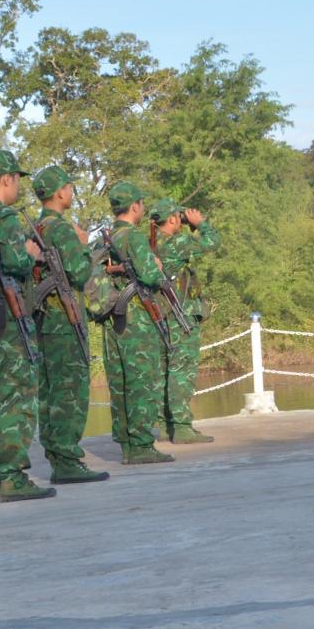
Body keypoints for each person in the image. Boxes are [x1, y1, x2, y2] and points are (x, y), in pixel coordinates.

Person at [0, 149, 54, 504]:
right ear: (6, 180)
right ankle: (12, 477)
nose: (18, 185)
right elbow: (15, 261)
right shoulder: (4, 217)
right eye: (17, 178)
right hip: (6, 314)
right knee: (15, 394)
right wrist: (30, 254)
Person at [30, 164, 110, 484]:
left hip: (45, 320)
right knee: (69, 391)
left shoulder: (37, 225)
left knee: (49, 391)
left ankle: (56, 453)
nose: (72, 193)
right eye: (69, 188)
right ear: (60, 192)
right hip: (64, 319)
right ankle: (66, 460)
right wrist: (83, 244)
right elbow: (78, 273)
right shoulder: (60, 229)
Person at [100, 181, 174, 464]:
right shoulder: (134, 237)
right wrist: (156, 267)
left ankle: (127, 444)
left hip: (112, 317)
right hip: (137, 319)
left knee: (119, 382)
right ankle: (142, 445)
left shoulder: (103, 238)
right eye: (141, 204)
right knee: (142, 381)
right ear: (134, 206)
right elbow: (151, 277)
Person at [156, 199, 219, 444]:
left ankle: (165, 426)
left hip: (160, 315)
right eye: (178, 217)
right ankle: (182, 428)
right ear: (172, 219)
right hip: (180, 316)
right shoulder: (177, 242)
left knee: (163, 371)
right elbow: (213, 242)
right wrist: (200, 223)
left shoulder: (150, 244)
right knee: (182, 371)